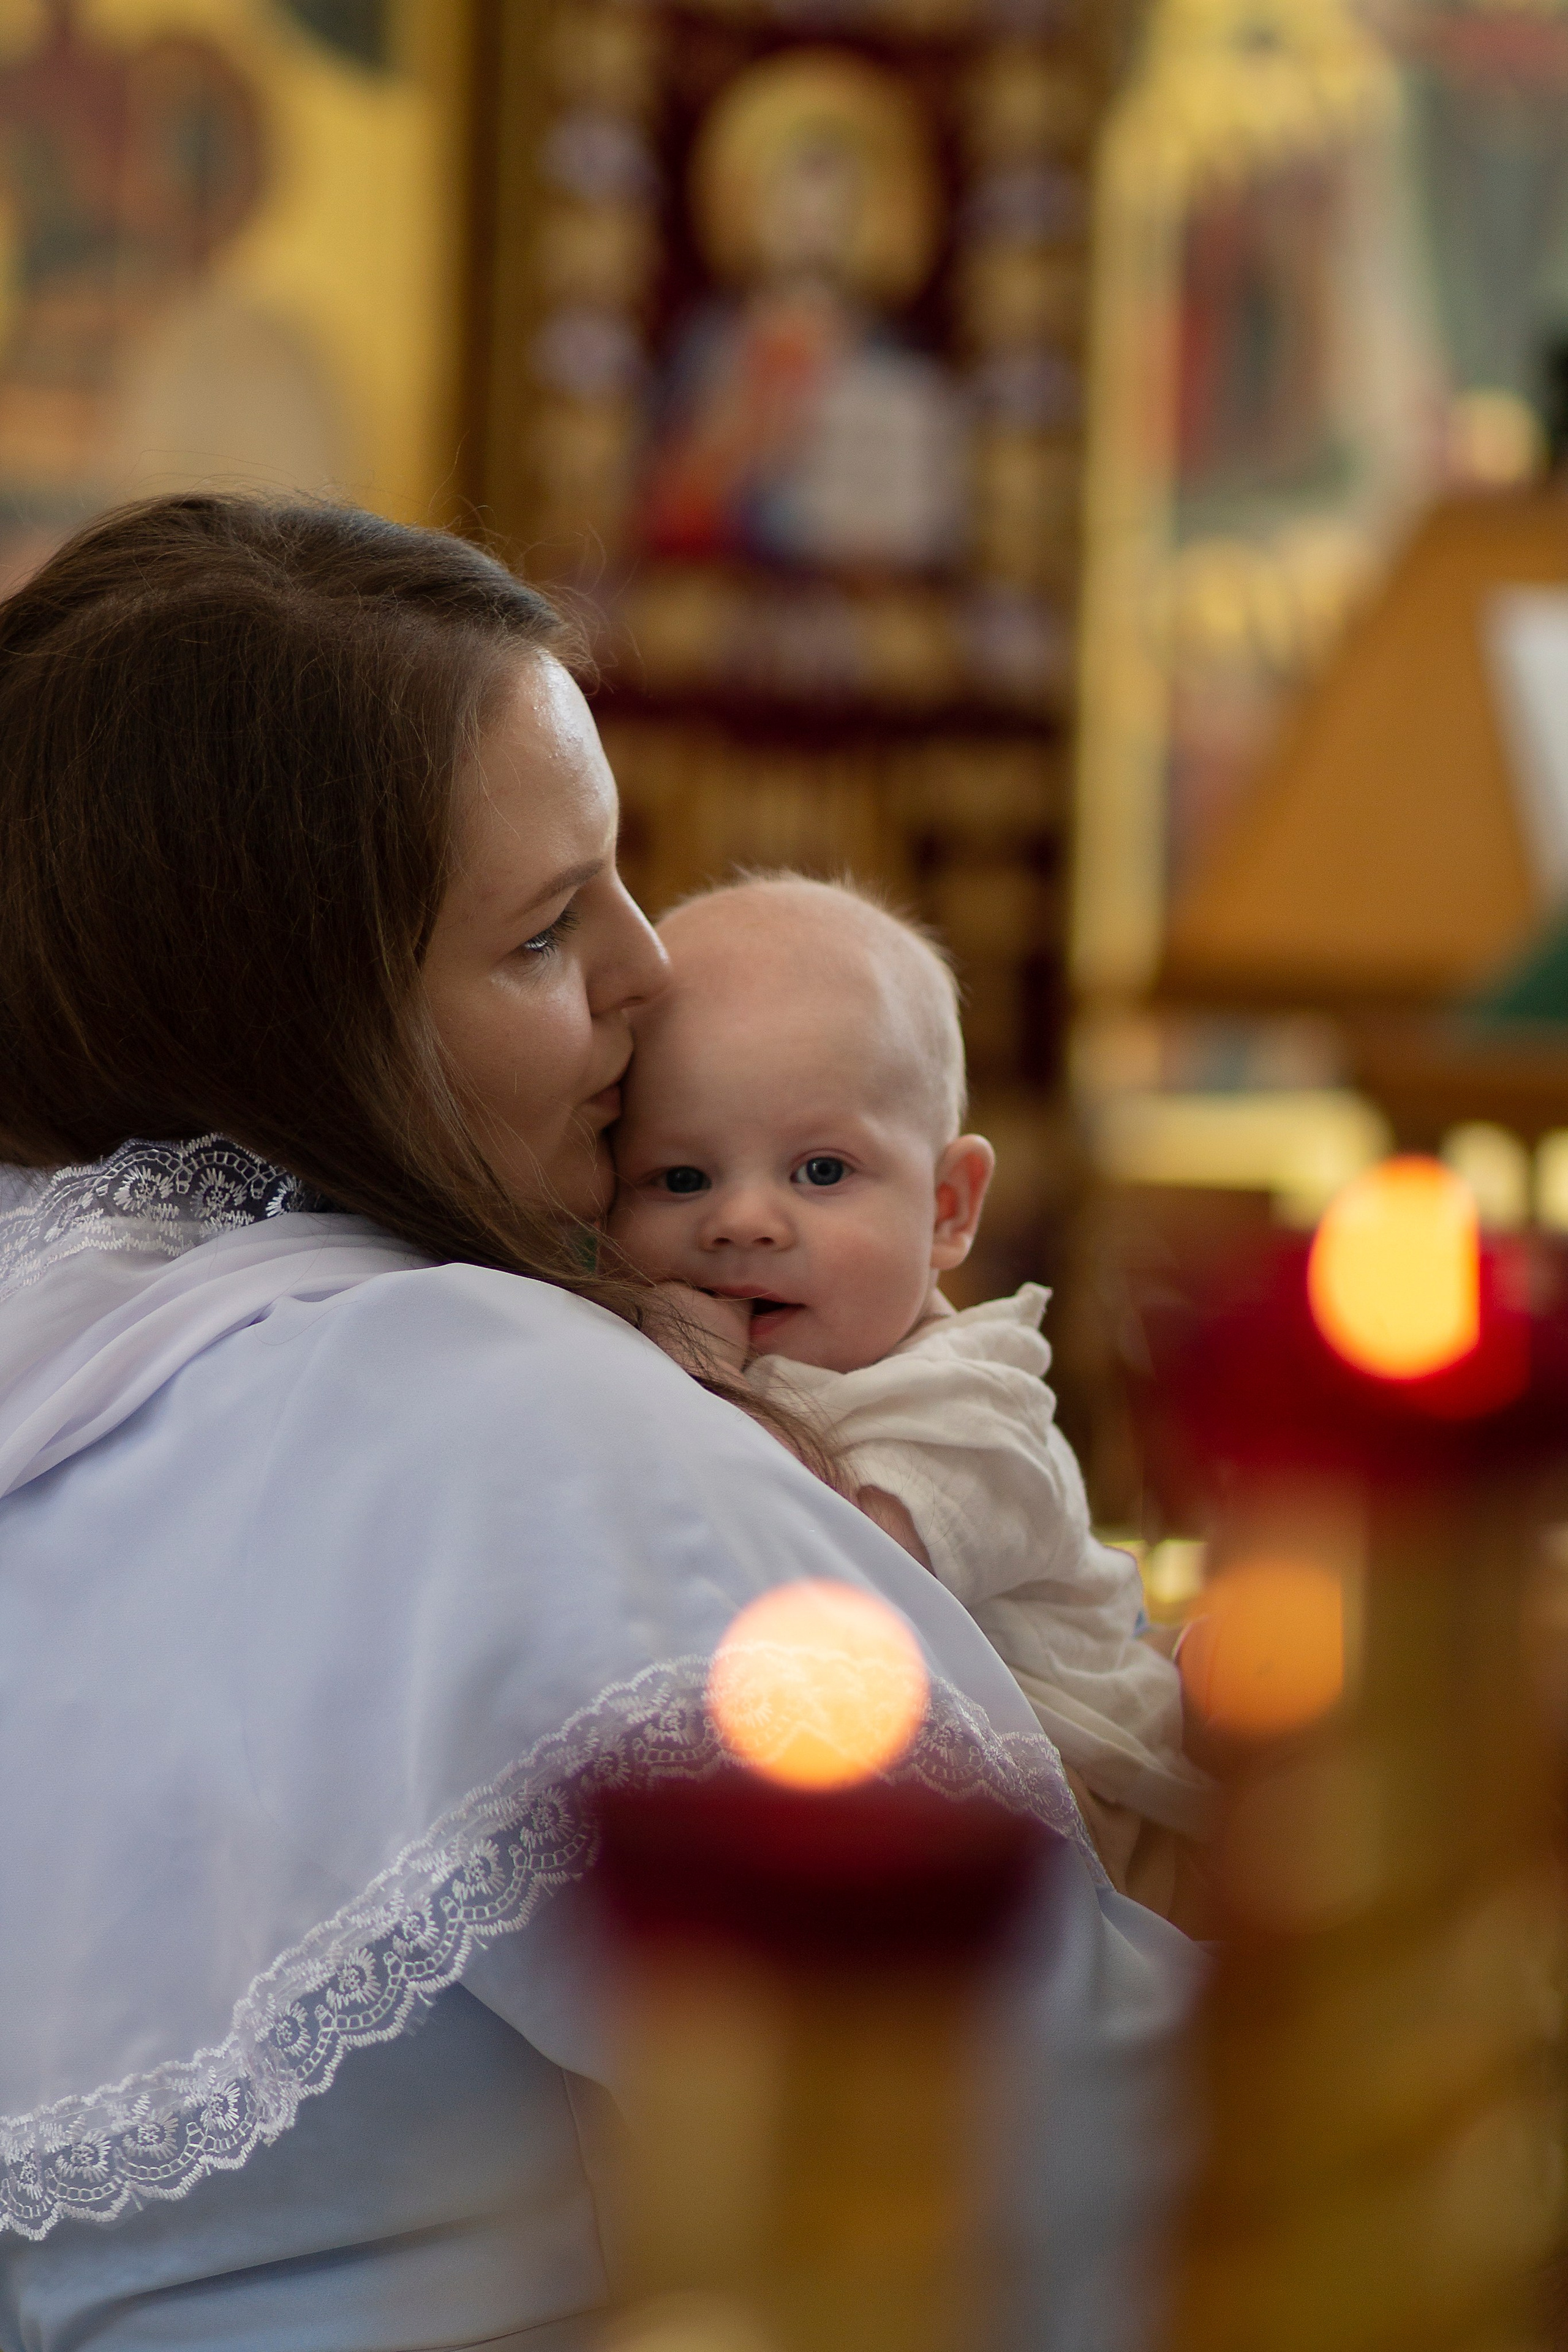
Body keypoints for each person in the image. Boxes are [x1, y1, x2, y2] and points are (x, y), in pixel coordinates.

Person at [0, 494, 1197, 2352]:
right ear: (308, 1027)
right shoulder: (513, 1425)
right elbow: (1067, 2134)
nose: (653, 971)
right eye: (552, 932)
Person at [606, 875, 1212, 1922]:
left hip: (1101, 1826)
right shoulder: (675, 1348)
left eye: (823, 1170)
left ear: (947, 1209)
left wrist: (700, 1383)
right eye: (680, 1179)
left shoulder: (973, 1412)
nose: (744, 1220)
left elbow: (817, 1571)